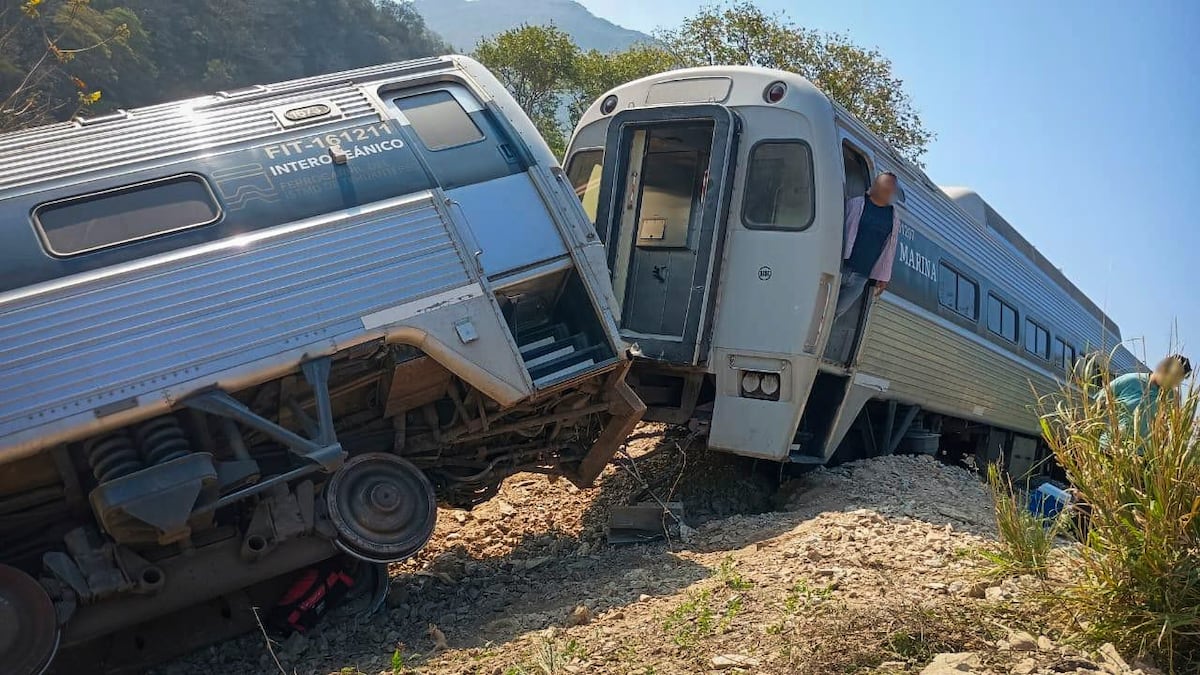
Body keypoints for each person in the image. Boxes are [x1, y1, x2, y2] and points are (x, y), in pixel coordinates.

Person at [835, 172, 902, 321]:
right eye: (885, 187)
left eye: (891, 189)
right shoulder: (855, 204)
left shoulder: (893, 217)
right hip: (840, 265)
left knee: (836, 312)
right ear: (875, 186)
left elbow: (889, 248)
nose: (888, 191)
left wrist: (884, 277)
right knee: (822, 305)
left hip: (861, 276)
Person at [1098, 353, 1191, 443]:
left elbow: (1170, 429)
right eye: (1173, 377)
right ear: (1163, 368)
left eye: (1177, 381)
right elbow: (1097, 402)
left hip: (1142, 456)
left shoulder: (1172, 398)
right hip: (1110, 447)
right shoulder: (1131, 380)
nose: (1174, 384)